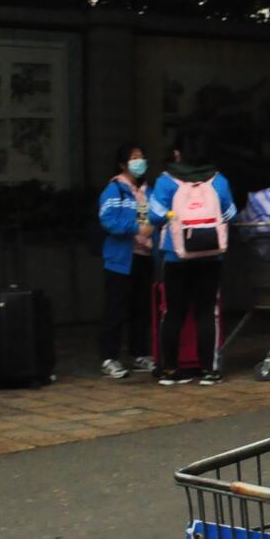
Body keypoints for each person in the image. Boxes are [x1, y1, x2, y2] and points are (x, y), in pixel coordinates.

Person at [149, 136, 235, 386]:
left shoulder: (166, 181)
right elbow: (230, 213)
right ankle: (209, 370)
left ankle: (169, 370)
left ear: (179, 153)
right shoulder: (218, 180)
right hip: (211, 255)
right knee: (206, 312)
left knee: (173, 313)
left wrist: (173, 215)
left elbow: (154, 216)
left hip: (176, 255)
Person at [96, 142, 156, 379]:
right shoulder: (115, 190)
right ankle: (109, 358)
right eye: (133, 158)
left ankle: (140, 353)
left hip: (145, 256)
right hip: (120, 259)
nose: (139, 162)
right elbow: (108, 221)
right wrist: (135, 228)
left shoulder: (149, 191)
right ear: (123, 164)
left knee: (141, 308)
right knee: (115, 309)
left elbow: (157, 217)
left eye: (141, 157)